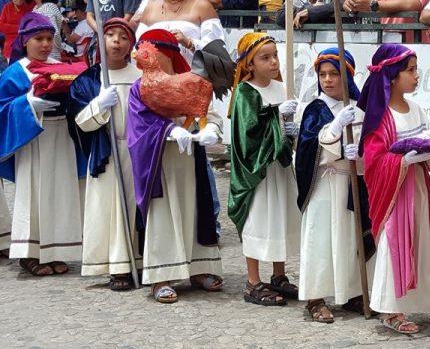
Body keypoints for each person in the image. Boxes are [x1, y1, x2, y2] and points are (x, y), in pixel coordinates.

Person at [358, 43, 430, 334]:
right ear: (392, 75)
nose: (417, 76)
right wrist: (404, 160)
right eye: (411, 70)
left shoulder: (416, 109)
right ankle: (391, 309)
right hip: (394, 195)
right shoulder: (381, 117)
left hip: (420, 189)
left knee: (429, 240)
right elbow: (374, 161)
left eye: (416, 69)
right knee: (395, 245)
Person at [126, 29, 224, 303]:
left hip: (191, 158)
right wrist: (170, 130)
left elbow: (209, 111)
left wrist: (212, 129)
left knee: (196, 209)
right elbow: (138, 125)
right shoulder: (140, 88)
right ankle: (161, 275)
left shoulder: (192, 81)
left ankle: (199, 268)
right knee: (164, 214)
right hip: (161, 159)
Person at [0, 12, 85, 276]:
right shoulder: (16, 71)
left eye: (50, 38)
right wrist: (27, 104)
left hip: (62, 135)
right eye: (39, 38)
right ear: (25, 41)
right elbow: (1, 108)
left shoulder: (60, 66)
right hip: (34, 138)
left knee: (61, 192)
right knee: (34, 192)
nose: (46, 44)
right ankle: (30, 253)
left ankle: (57, 250)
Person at [294, 47, 375, 323]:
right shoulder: (315, 109)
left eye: (334, 74)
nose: (327, 80)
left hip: (351, 183)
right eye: (323, 74)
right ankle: (315, 297)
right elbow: (307, 148)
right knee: (321, 239)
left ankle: (352, 291)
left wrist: (359, 155)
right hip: (324, 184)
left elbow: (370, 145)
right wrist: (335, 133)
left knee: (350, 239)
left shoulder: (357, 107)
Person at [228, 32, 302, 307]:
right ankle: (252, 280)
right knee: (259, 220)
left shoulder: (280, 88)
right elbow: (248, 135)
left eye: (275, 56)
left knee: (279, 218)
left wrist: (290, 130)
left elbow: (284, 132)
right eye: (265, 57)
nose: (273, 62)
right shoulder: (245, 92)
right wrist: (276, 117)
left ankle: (279, 274)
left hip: (279, 167)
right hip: (257, 171)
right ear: (249, 63)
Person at [72, 18, 141, 291]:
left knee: (132, 207)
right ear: (100, 40)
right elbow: (80, 122)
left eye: (122, 37)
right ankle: (115, 265)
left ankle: (135, 261)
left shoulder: (140, 76)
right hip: (106, 150)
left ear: (131, 45)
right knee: (107, 207)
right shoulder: (90, 80)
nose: (116, 41)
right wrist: (99, 106)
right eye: (110, 35)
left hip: (135, 150)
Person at [343, 0, 430, 42]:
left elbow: (414, 4)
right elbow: (363, 2)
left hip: (415, 46)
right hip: (386, 42)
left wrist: (375, 5)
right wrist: (350, 4)